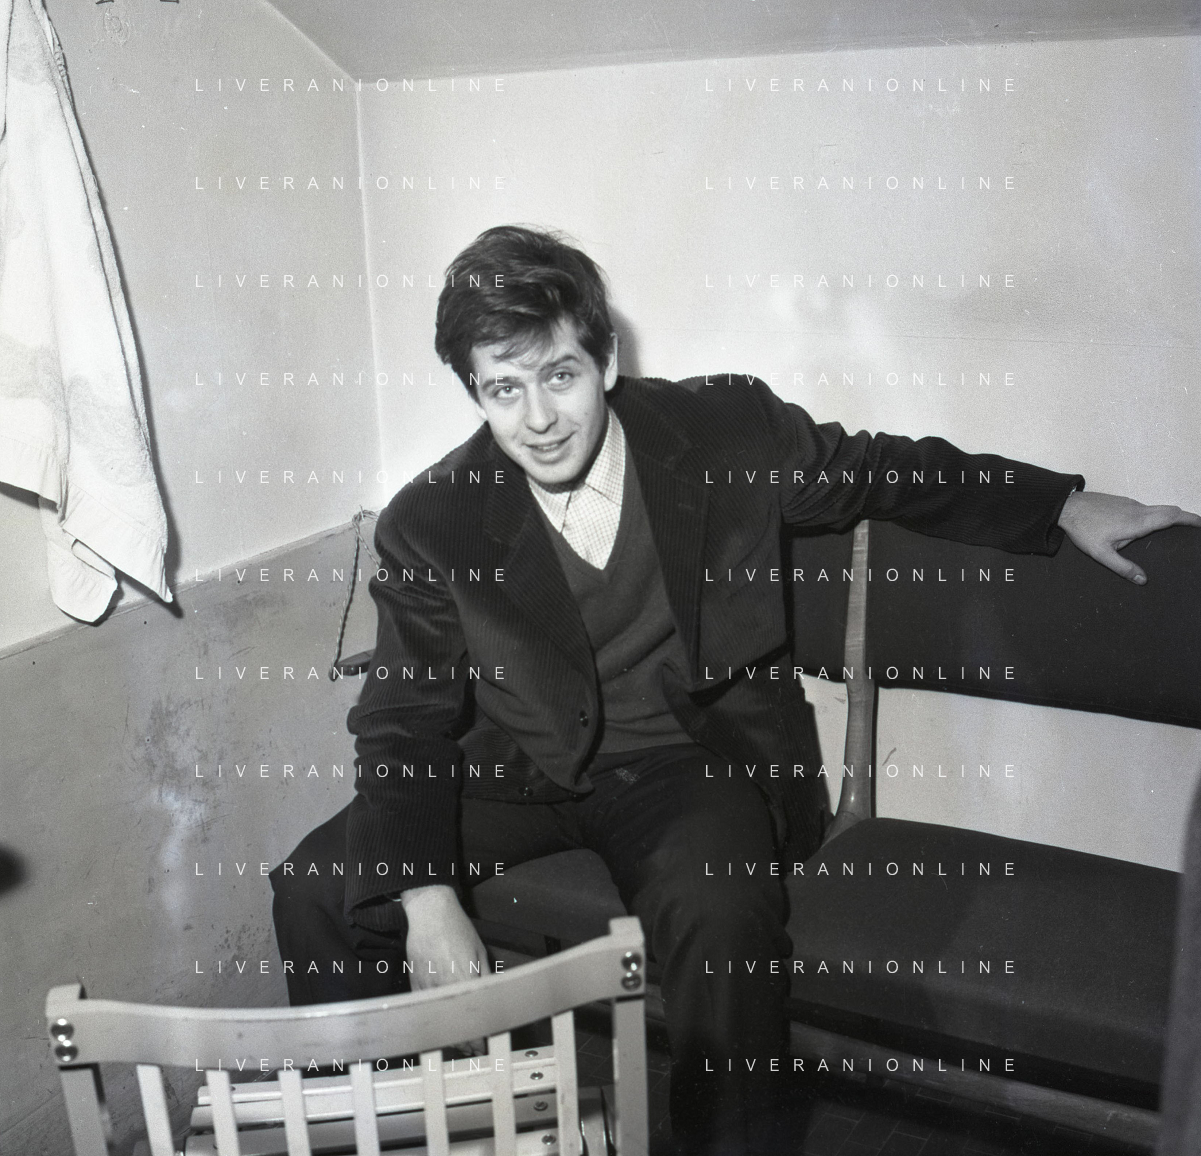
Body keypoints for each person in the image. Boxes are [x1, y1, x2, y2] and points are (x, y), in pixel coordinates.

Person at [271, 225, 1198, 1155]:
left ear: (606, 359)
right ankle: (375, 1135)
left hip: (687, 765)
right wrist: (424, 893)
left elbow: (883, 471)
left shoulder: (724, 431)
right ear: (474, 391)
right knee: (318, 887)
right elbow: (400, 724)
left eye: (559, 375)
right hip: (512, 770)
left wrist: (1058, 503)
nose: (539, 418)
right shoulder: (432, 521)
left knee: (722, 920)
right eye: (503, 389)